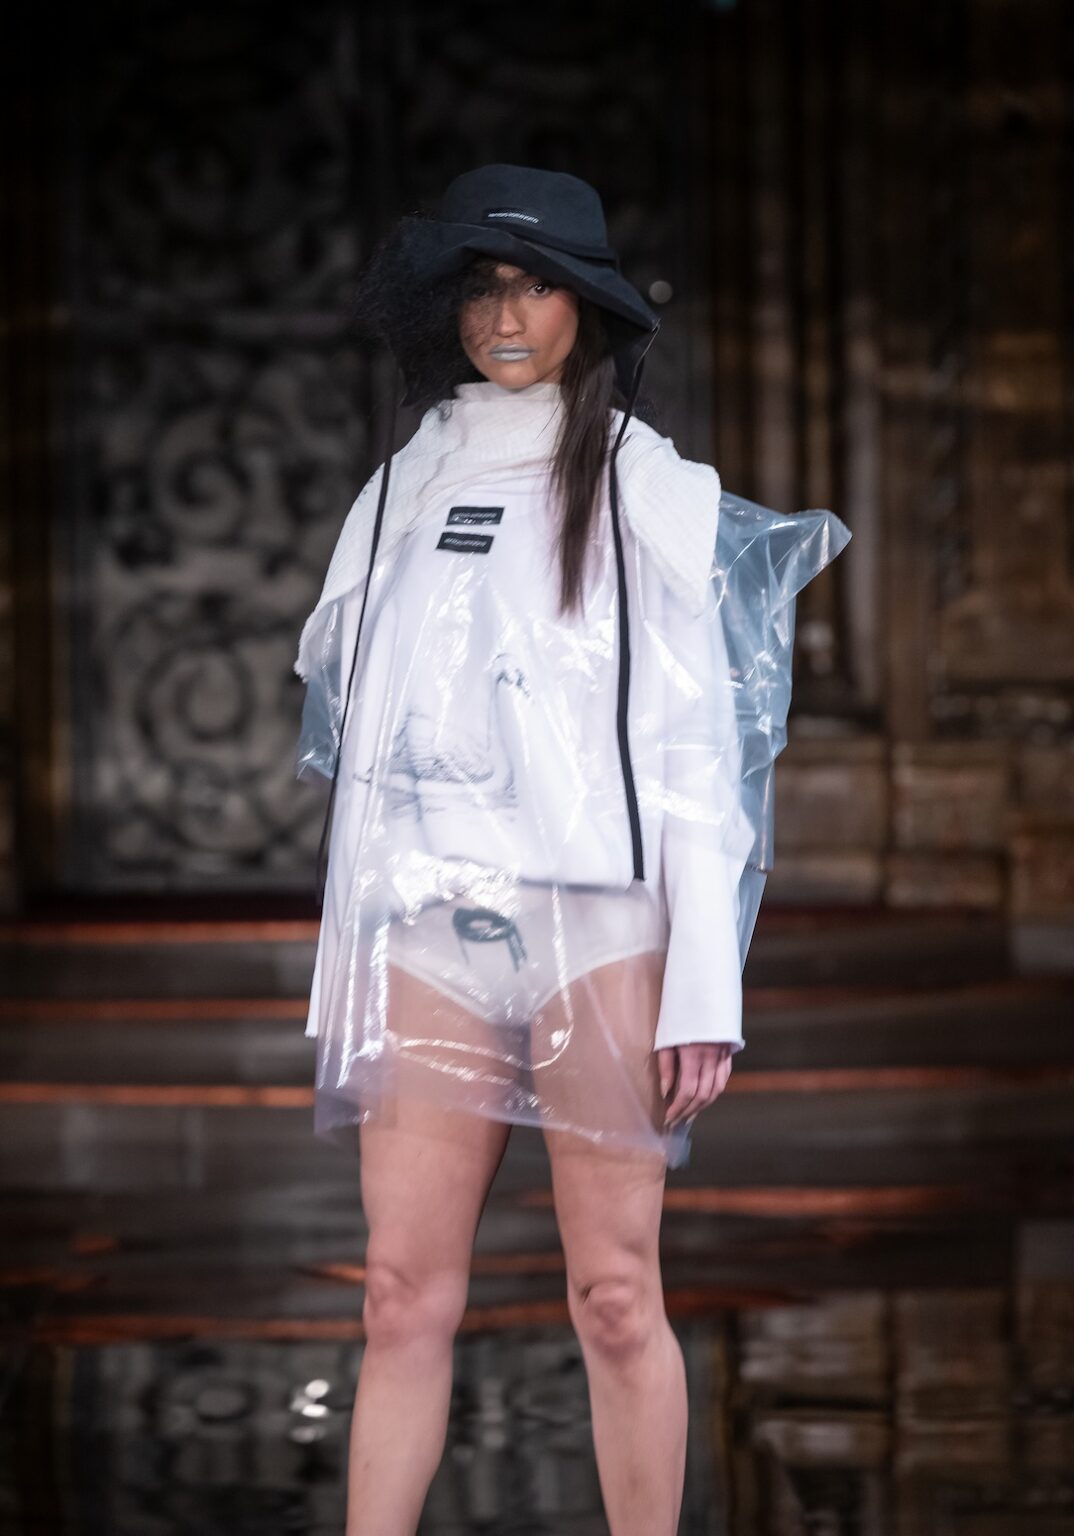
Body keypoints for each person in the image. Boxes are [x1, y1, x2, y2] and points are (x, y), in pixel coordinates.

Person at [292, 164, 850, 1536]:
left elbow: (692, 751)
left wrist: (703, 985)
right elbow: (348, 715)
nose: (505, 310)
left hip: (599, 928)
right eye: (481, 283)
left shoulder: (654, 496)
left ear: (583, 308)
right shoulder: (400, 489)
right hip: (428, 920)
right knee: (401, 1292)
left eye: (533, 283)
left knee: (611, 1293)